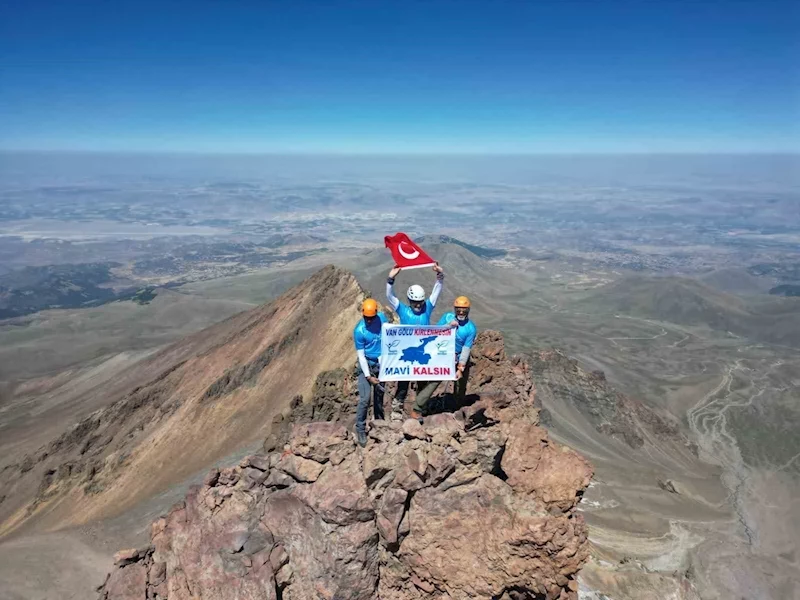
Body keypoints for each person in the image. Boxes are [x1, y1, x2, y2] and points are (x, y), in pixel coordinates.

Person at [386, 262, 444, 419]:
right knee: (403, 384)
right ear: (409, 300)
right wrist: (390, 280)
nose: (418, 305)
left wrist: (439, 276)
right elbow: (390, 297)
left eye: (420, 302)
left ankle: (420, 409)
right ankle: (396, 411)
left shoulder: (428, 307)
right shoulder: (402, 309)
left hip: (423, 352)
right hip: (407, 353)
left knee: (423, 383)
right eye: (414, 302)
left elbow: (437, 291)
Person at [353, 298, 388, 447]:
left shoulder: (381, 319)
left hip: (380, 363)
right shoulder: (359, 331)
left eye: (371, 318)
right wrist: (368, 376)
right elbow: (361, 355)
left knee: (379, 395)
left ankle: (379, 423)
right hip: (366, 365)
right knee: (365, 398)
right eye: (366, 318)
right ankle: (360, 428)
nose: (368, 321)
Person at [438, 296, 477, 404]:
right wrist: (448, 326)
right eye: (458, 310)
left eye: (463, 310)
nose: (460, 313)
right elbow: (434, 332)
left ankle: (457, 405)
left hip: (460, 357)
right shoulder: (447, 317)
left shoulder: (470, 328)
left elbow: (466, 348)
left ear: (468, 311)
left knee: (460, 384)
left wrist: (460, 368)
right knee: (435, 380)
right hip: (444, 354)